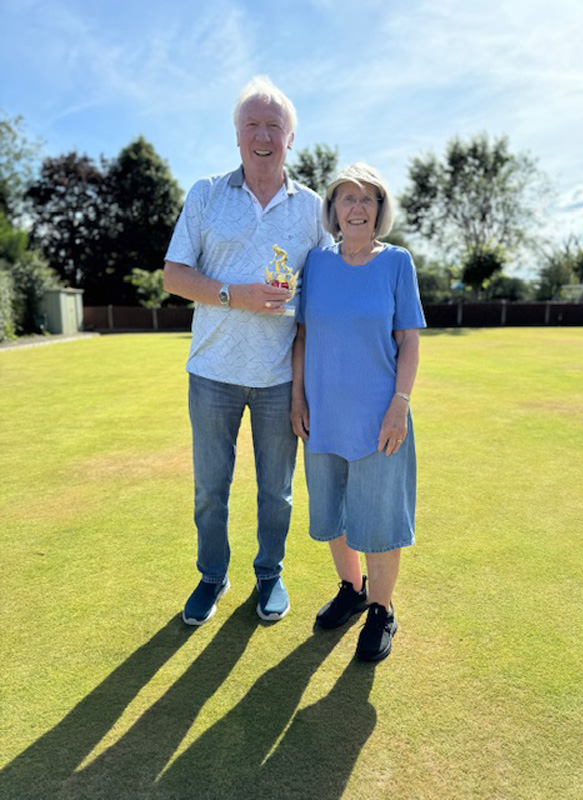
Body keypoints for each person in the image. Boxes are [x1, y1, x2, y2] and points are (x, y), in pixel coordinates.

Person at [164, 76, 331, 626]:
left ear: (290, 138)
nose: (263, 135)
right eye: (252, 125)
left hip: (279, 377)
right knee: (211, 489)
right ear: (237, 136)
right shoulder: (206, 193)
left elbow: (331, 284)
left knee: (276, 493)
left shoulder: (312, 208)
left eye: (274, 126)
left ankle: (269, 573)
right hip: (211, 372)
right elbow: (173, 276)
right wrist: (238, 294)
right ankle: (212, 575)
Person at [291, 163, 426, 662]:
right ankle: (352, 590)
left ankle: (381, 610)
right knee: (333, 513)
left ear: (379, 210)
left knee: (379, 518)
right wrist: (296, 398)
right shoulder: (316, 264)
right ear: (333, 210)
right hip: (323, 415)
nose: (357, 207)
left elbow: (408, 339)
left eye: (368, 198)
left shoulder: (397, 264)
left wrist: (400, 405)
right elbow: (302, 335)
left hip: (379, 420)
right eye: (347, 198)